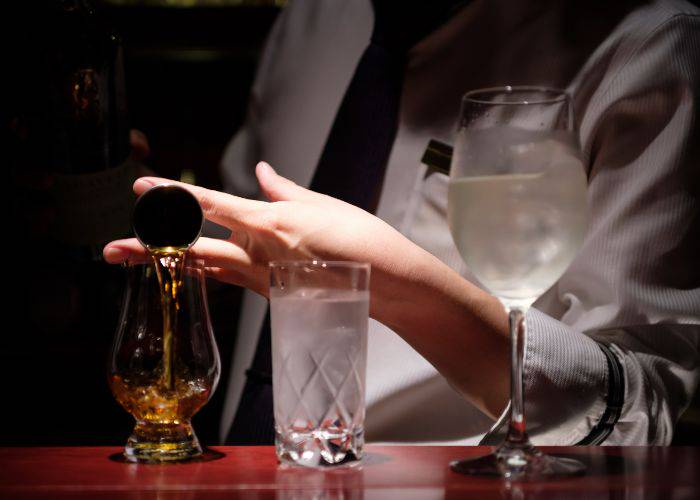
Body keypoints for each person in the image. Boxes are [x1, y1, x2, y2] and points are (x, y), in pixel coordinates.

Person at [105, 0, 700, 445]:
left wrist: (395, 285)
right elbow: (236, 238)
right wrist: (111, 198)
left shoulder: (647, 44)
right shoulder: (309, 21)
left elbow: (641, 418)